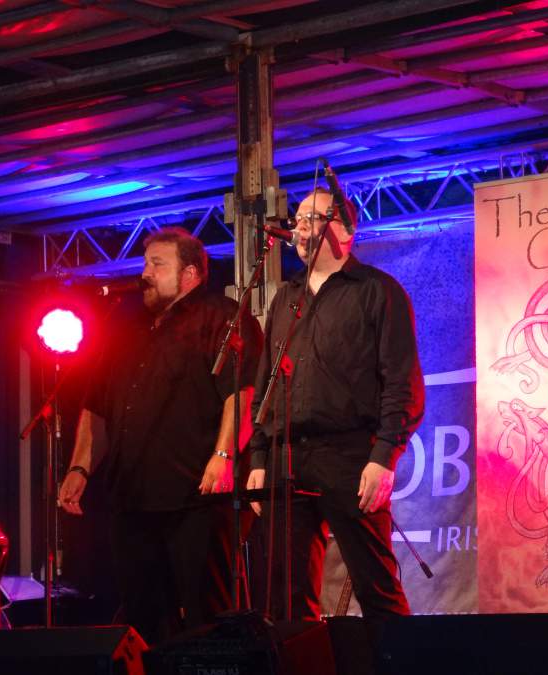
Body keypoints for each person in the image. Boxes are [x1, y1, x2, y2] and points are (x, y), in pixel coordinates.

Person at [58, 227, 262, 644]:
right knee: (142, 616)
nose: (145, 273)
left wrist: (224, 456)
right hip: (132, 499)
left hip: (196, 495)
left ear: (190, 274)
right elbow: (97, 405)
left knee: (207, 612)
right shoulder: (127, 326)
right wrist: (80, 467)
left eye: (157, 264)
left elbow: (241, 393)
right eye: (145, 263)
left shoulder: (221, 315)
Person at [246, 188, 424, 627]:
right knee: (287, 597)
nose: (301, 227)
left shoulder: (377, 291)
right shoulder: (286, 298)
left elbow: (402, 382)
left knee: (375, 584)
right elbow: (266, 384)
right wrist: (259, 457)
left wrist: (384, 457)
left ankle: (399, 657)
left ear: (345, 229)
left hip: (350, 455)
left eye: (314, 218)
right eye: (298, 219)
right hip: (288, 458)